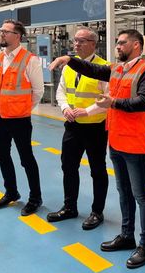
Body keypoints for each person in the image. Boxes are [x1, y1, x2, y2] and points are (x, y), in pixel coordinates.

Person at [50, 29, 145, 269]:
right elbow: (92, 69)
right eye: (117, 43)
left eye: (122, 43)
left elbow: (144, 101)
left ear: (136, 45)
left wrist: (113, 103)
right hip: (117, 141)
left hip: (135, 142)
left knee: (141, 196)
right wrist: (69, 59)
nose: (117, 46)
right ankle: (127, 235)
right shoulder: (117, 69)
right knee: (124, 192)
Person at [47, 27, 109, 230]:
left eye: (81, 41)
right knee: (68, 166)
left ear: (93, 44)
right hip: (73, 126)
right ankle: (69, 207)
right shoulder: (69, 66)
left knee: (97, 170)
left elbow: (108, 100)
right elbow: (61, 91)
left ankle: (97, 212)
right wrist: (65, 108)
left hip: (95, 127)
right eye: (75, 40)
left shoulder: (104, 67)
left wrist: (87, 111)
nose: (76, 44)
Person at [0, 19, 44, 216]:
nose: (2, 34)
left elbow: (38, 91)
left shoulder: (30, 60)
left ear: (17, 36)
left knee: (26, 159)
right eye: (1, 31)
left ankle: (35, 198)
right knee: (2, 156)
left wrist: (22, 109)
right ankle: (11, 192)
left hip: (19, 119)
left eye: (6, 31)